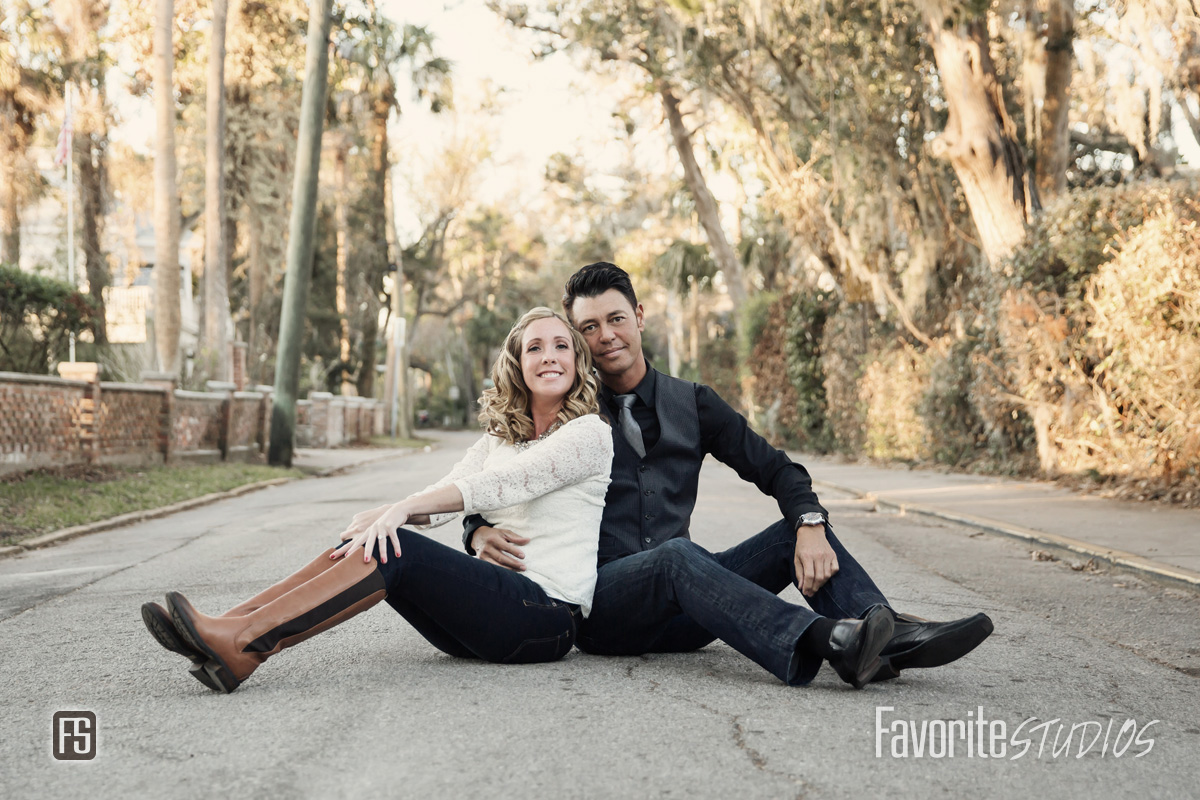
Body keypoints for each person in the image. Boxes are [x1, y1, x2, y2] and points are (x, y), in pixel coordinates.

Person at [465, 263, 993, 688]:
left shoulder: (693, 404)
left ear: (640, 317)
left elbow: (778, 469)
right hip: (605, 607)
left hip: (690, 604)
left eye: (616, 319)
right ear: (577, 339)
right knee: (678, 557)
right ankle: (826, 640)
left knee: (789, 532)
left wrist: (810, 524)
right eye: (588, 327)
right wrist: (476, 531)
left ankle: (886, 633)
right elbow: (496, 474)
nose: (606, 336)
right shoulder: (566, 410)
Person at [141, 307, 615, 693]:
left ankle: (244, 646)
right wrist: (387, 514)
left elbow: (512, 483)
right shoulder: (500, 437)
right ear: (518, 363)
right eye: (535, 347)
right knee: (371, 538)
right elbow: (444, 490)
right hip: (497, 615)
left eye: (561, 347)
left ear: (577, 363)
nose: (549, 356)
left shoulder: (589, 434)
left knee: (396, 544)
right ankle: (228, 626)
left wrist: (400, 514)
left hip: (547, 618)